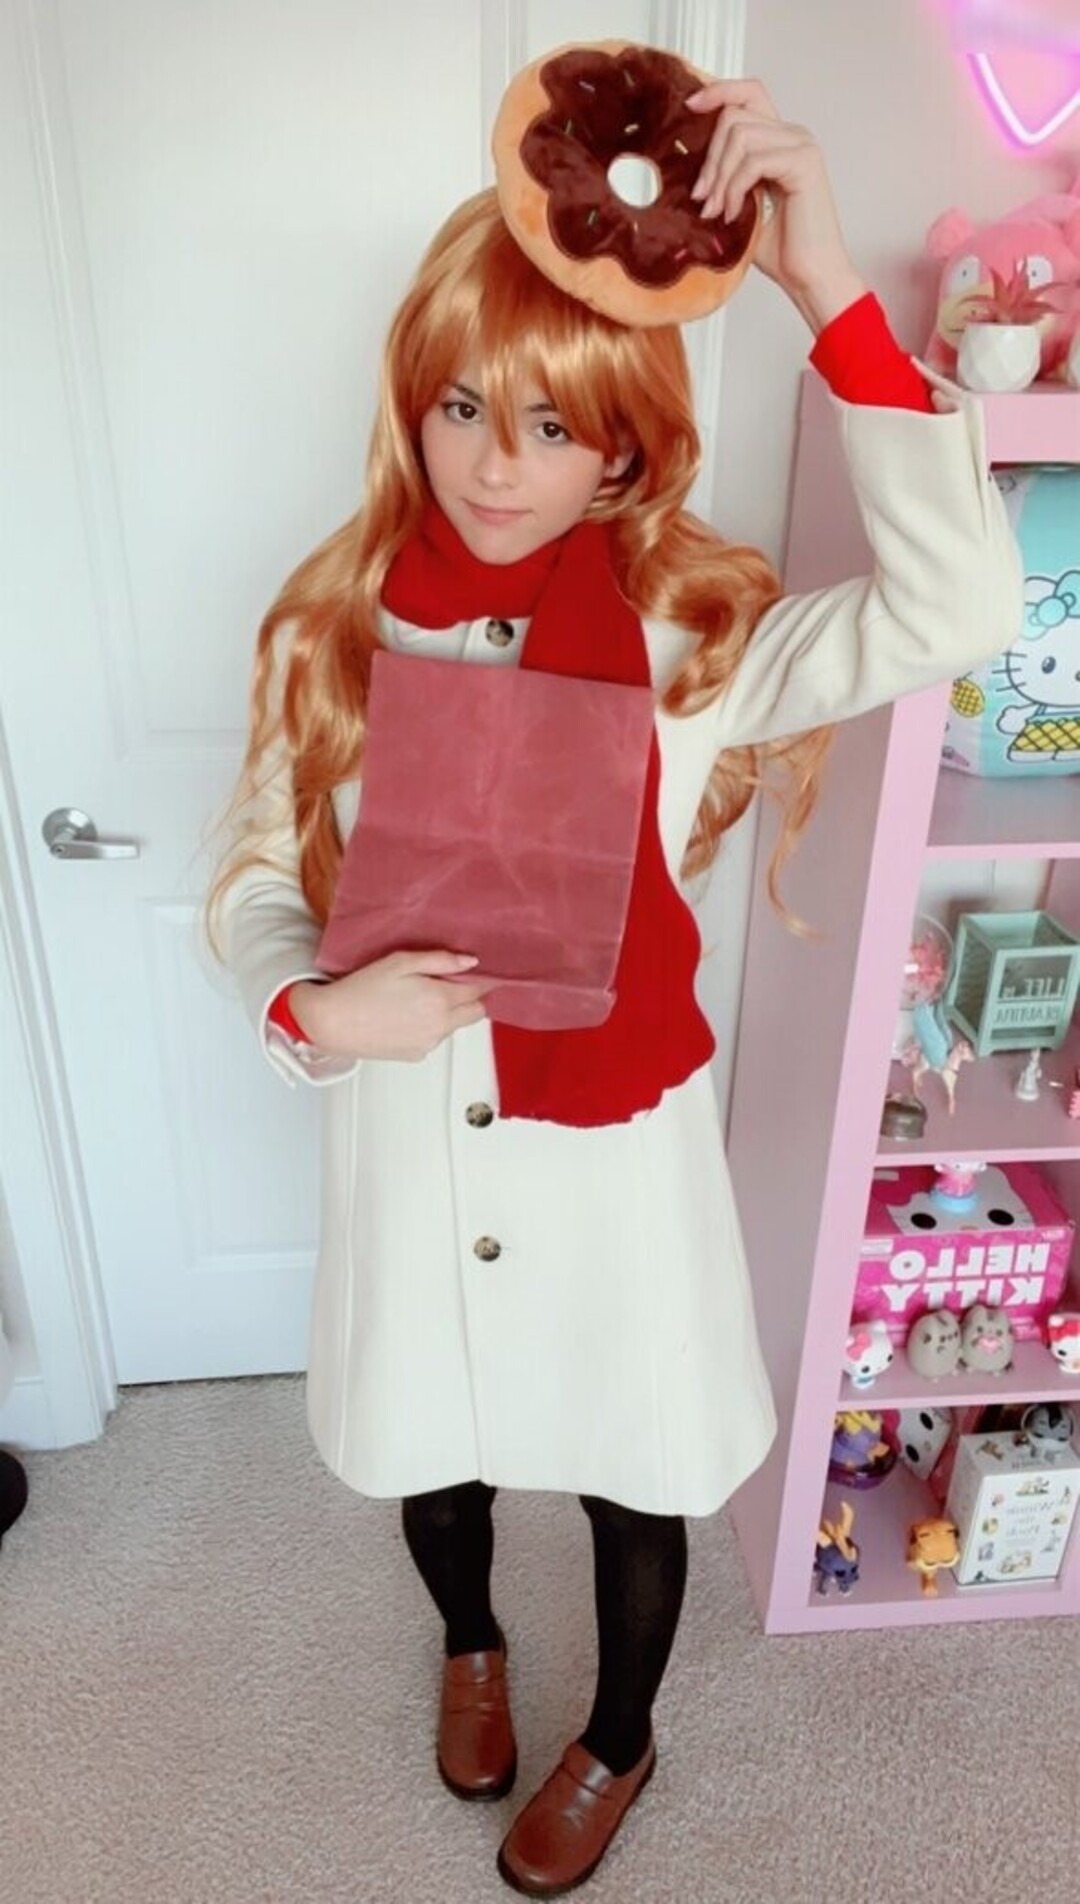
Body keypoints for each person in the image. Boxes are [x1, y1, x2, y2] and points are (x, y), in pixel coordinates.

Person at [203, 75, 1022, 1899]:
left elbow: (960, 613)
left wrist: (829, 290)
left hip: (616, 1152)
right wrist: (313, 1012)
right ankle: (470, 1645)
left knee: (633, 1466)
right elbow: (255, 884)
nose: (497, 464)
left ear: (626, 452)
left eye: (554, 424)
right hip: (414, 1133)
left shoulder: (692, 646)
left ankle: (623, 1736)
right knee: (436, 1449)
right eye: (464, 407)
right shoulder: (331, 633)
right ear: (412, 405)